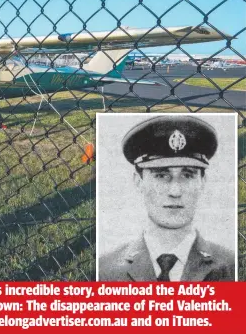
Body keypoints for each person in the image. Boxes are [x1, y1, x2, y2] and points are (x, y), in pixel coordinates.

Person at [98, 115, 235, 282]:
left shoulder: (232, 267)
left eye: (187, 175)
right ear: (138, 181)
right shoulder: (105, 271)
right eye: (161, 175)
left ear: (202, 182)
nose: (175, 191)